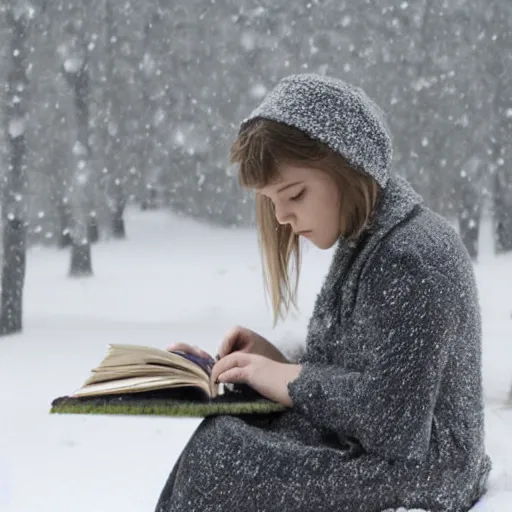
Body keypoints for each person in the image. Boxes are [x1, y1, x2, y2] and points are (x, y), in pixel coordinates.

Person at [155, 73, 491, 511]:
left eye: (294, 193)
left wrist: (283, 379)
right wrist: (269, 360)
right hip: (396, 452)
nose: (282, 217)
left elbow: (393, 422)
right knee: (226, 434)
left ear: (348, 166)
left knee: (223, 456)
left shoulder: (412, 257)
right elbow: (355, 367)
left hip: (429, 467)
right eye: (272, 201)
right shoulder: (371, 239)